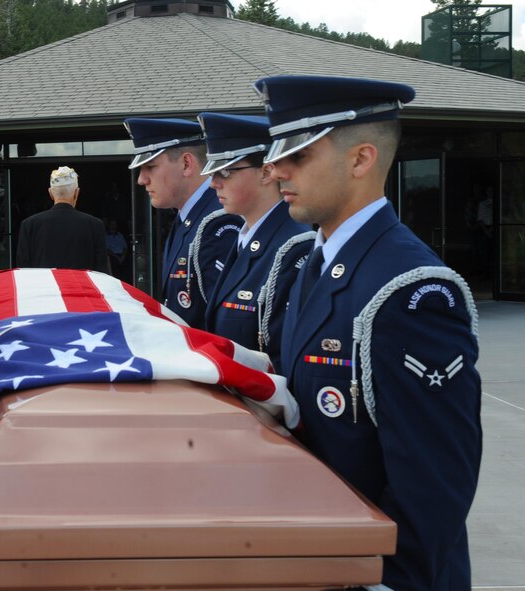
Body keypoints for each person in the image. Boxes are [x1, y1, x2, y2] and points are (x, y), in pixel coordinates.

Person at [259, 74, 482, 590]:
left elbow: (435, 481)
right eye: (277, 156)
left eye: (298, 157)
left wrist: (385, 579)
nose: (275, 172)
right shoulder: (312, 262)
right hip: (329, 556)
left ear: (360, 160)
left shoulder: (410, 291)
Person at [197, 112, 310, 365]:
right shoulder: (245, 238)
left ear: (267, 172)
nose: (213, 183)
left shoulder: (294, 250)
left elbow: (285, 358)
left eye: (225, 172)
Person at [124, 117, 241, 328]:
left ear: (187, 164)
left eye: (150, 166)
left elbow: (224, 325)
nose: (141, 179)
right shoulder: (188, 218)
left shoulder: (217, 223)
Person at [15, 166, 109, 272]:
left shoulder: (29, 225)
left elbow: (23, 271)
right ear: (76, 192)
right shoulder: (95, 225)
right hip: (80, 288)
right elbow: (102, 272)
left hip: (44, 288)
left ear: (50, 193)